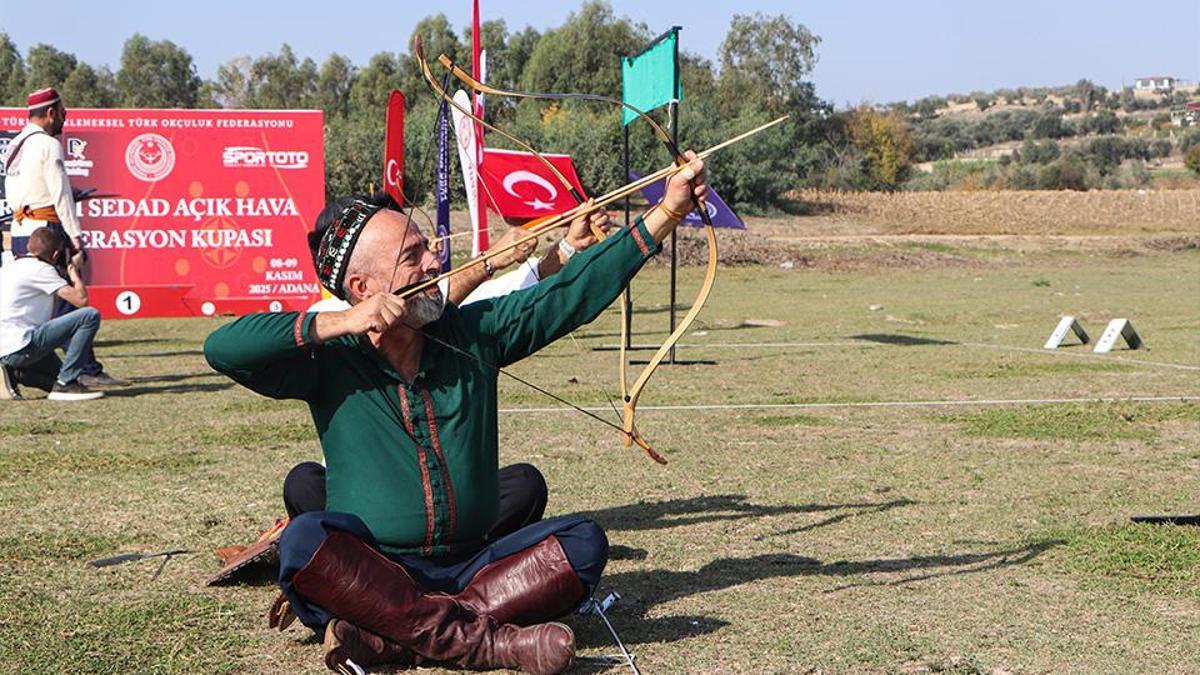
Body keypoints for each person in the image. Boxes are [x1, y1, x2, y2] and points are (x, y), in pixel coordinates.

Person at [204, 152, 708, 673]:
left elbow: (568, 295)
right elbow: (224, 348)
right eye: (413, 256)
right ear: (361, 289)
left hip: (472, 566)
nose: (433, 265)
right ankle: (483, 643)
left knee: (582, 543)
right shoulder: (329, 361)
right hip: (377, 566)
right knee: (305, 540)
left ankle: (394, 636)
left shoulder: (472, 331)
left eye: (428, 251)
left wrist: (666, 213)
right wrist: (340, 323)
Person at [285, 196, 611, 524]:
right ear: (358, 278)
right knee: (305, 484)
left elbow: (499, 298)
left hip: (443, 497)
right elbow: (413, 309)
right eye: (409, 253)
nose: (428, 261)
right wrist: (487, 262)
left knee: (524, 485)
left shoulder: (437, 313)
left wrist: (567, 247)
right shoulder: (326, 321)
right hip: (366, 501)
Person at [2, 87, 125, 387]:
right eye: (64, 113)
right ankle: (83, 368)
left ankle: (25, 361)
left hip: (21, 232)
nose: (65, 119)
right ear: (51, 113)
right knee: (70, 295)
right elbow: (60, 196)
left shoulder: (14, 145)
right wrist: (76, 239)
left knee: (38, 298)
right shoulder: (47, 145)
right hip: (46, 230)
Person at [0, 227, 105, 401]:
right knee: (89, 315)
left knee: (56, 381)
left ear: (29, 245)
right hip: (21, 345)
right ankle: (65, 384)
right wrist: (73, 272)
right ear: (56, 254)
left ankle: (14, 373)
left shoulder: (12, 266)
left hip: (8, 347)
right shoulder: (42, 269)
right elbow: (81, 300)